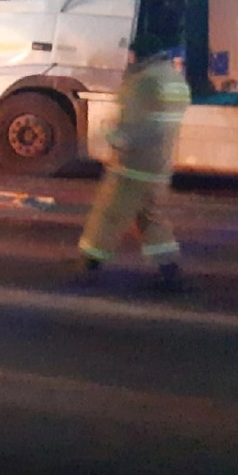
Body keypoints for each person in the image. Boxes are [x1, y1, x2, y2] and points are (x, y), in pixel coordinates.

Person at [77, 33, 192, 291]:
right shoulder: (173, 78)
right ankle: (170, 269)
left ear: (139, 55)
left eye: (131, 54)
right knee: (151, 218)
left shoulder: (142, 81)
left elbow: (132, 126)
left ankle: (90, 264)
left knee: (109, 214)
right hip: (159, 165)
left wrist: (111, 136)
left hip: (132, 166)